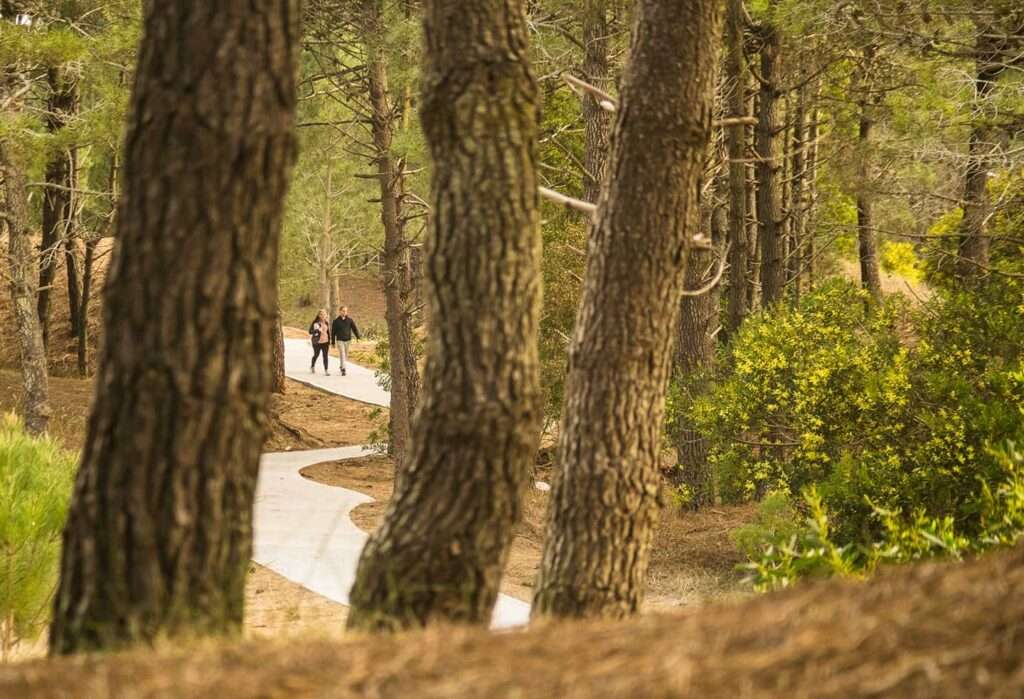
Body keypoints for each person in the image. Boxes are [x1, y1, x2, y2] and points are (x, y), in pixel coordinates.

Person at [331, 305, 361, 376]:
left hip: (348, 340)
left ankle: (341, 366)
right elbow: (333, 332)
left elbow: (354, 329)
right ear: (340, 311)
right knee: (342, 354)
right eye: (343, 311)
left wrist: (358, 337)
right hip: (340, 340)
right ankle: (344, 369)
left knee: (345, 355)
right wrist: (332, 342)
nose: (345, 312)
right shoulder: (336, 321)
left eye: (346, 311)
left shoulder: (350, 320)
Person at [309, 308, 331, 375]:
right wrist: (318, 330)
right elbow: (310, 332)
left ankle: (326, 370)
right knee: (316, 355)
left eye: (324, 314)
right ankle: (312, 366)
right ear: (319, 315)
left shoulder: (326, 322)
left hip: (325, 342)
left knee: (325, 356)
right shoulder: (315, 323)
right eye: (321, 314)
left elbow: (328, 332)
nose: (323, 316)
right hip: (317, 342)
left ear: (326, 315)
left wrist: (329, 341)